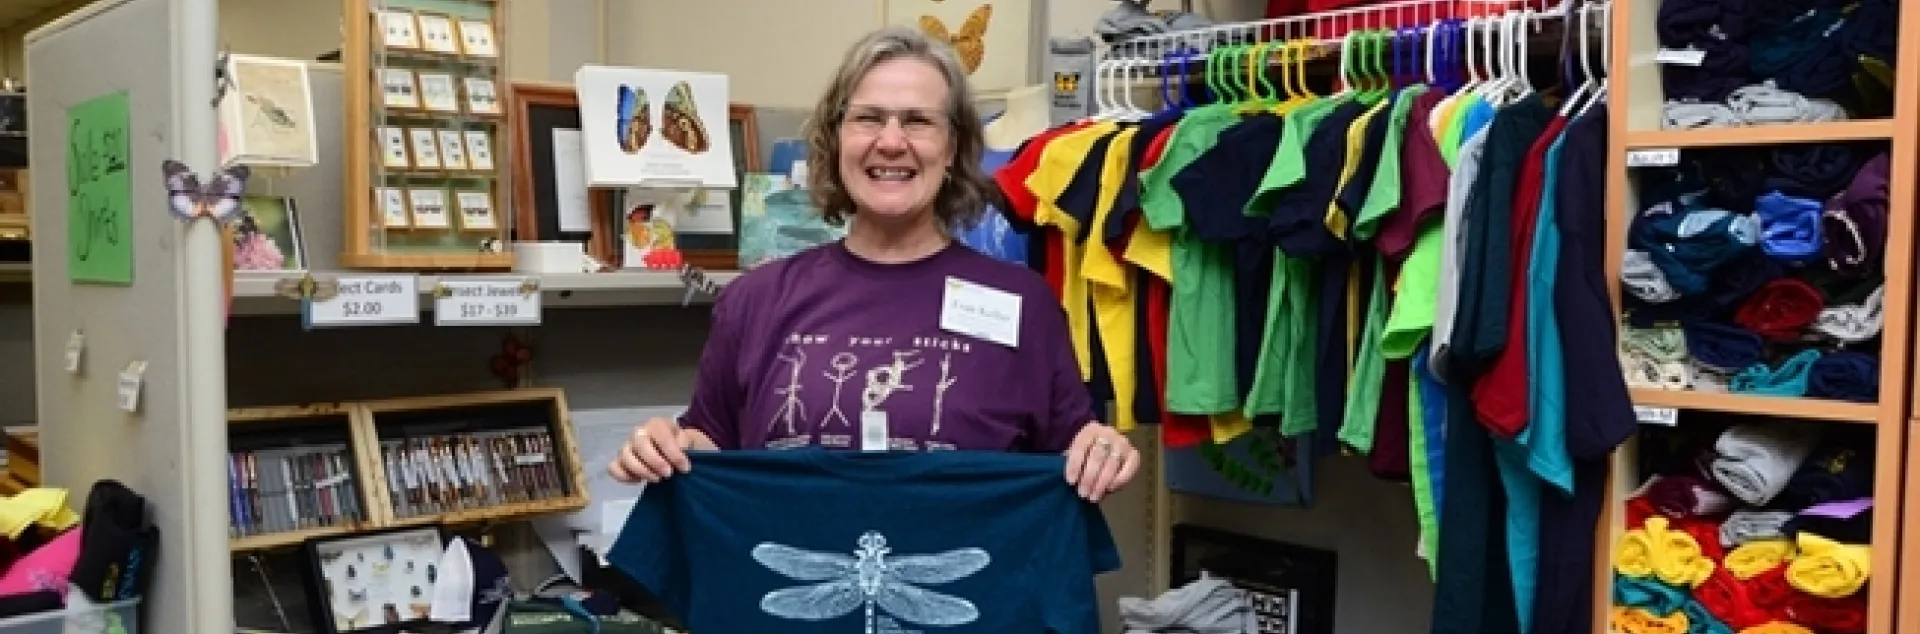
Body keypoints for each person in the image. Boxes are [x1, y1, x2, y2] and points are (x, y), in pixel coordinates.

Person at [607, 27, 1140, 502]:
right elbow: (710, 442)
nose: (890, 142)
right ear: (837, 138)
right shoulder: (756, 298)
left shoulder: (1023, 304)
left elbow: (1071, 449)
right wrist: (664, 446)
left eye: (917, 121)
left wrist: (1100, 449)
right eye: (867, 119)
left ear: (952, 146)